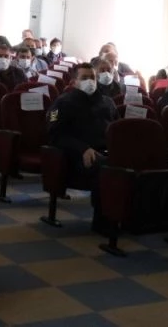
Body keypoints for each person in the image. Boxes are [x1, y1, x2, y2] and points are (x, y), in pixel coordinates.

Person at [47, 63, 118, 232]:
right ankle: (103, 222)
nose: (90, 81)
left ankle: (126, 218)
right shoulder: (63, 103)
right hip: (74, 156)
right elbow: (55, 135)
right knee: (107, 168)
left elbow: (117, 130)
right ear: (74, 82)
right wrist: (83, 148)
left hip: (105, 153)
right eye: (84, 78)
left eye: (92, 77)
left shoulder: (107, 102)